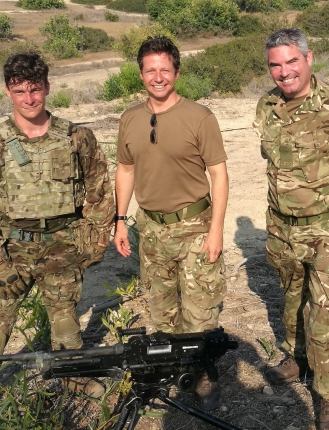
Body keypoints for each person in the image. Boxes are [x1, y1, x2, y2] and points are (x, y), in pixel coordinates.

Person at [0, 52, 115, 396]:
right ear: (7, 92)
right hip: (13, 248)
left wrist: (95, 241)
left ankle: (73, 377)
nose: (29, 99)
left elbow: (99, 189)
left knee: (64, 320)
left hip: (62, 245)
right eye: (20, 92)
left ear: (47, 87)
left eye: (35, 89)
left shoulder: (77, 137)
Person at [253, 28, 329, 430]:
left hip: (327, 228)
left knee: (324, 311)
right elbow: (273, 160)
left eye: (291, 61)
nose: (284, 72)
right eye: (275, 65)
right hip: (282, 226)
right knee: (291, 296)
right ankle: (297, 356)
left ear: (308, 58)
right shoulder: (265, 107)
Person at [113, 36, 229, 411]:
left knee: (200, 310)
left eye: (165, 69)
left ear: (177, 72)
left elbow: (219, 175)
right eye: (151, 70)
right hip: (150, 228)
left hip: (195, 225)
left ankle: (202, 374)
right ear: (141, 74)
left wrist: (216, 231)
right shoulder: (130, 119)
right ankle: (174, 370)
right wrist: (119, 220)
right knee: (162, 310)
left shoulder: (199, 117)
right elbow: (126, 169)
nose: (158, 77)